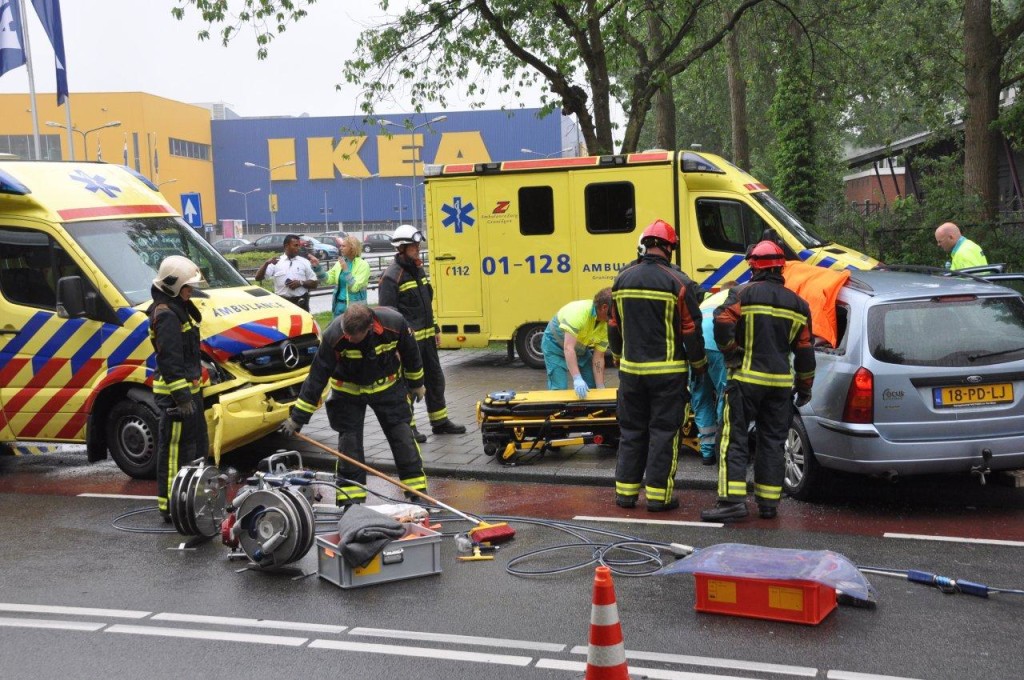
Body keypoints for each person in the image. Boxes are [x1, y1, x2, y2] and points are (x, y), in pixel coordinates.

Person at [701, 241, 815, 522]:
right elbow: (804, 351)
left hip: (745, 381)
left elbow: (722, 320)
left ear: (754, 267)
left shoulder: (741, 293)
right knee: (773, 443)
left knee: (734, 439)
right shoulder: (799, 305)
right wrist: (804, 388)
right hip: (779, 386)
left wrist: (731, 352)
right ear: (780, 268)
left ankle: (732, 503)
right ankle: (768, 504)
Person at [281, 303, 428, 505]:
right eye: (345, 333)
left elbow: (411, 353)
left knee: (402, 437)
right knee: (349, 445)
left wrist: (417, 383)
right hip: (347, 392)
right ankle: (350, 500)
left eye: (353, 336)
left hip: (387, 387)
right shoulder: (334, 335)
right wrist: (297, 418)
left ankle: (417, 492)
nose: (348, 338)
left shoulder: (394, 324)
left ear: (369, 328)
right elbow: (317, 377)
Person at [608, 219, 706, 512]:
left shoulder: (621, 279)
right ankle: (659, 497)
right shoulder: (678, 282)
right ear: (669, 247)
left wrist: (618, 356)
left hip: (631, 373)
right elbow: (690, 330)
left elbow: (613, 325)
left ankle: (625, 495)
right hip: (667, 374)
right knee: (663, 434)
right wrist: (699, 364)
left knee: (631, 431)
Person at [379, 224, 467, 437]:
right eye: (414, 245)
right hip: (408, 344)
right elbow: (387, 316)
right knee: (408, 384)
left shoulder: (417, 270)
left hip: (427, 340)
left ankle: (440, 421)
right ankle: (408, 429)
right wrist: (394, 347)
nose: (418, 248)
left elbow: (426, 303)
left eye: (418, 245)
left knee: (435, 379)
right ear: (402, 247)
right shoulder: (391, 277)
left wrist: (434, 328)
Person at [147, 255, 209, 521]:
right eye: (187, 287)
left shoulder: (178, 309)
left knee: (195, 449)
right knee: (173, 453)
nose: (190, 291)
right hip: (175, 397)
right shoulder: (166, 315)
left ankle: (189, 501)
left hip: (188, 393)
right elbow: (170, 361)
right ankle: (170, 507)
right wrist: (182, 398)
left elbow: (188, 353)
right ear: (173, 286)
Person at [689, 281, 735, 464]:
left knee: (701, 396)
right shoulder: (736, 297)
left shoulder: (709, 300)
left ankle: (707, 452)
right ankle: (723, 448)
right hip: (718, 346)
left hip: (696, 345)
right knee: (726, 396)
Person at [542, 288, 613, 397]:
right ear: (604, 307)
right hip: (554, 347)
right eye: (616, 309)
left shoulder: (606, 325)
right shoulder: (579, 313)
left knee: (593, 387)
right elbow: (568, 348)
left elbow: (598, 357)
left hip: (580, 351)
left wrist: (600, 386)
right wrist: (577, 378)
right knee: (560, 390)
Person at [254, 234, 318, 310]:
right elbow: (258, 278)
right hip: (281, 304)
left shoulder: (304, 262)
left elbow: (315, 283)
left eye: (299, 245)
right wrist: (266, 264)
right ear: (286, 246)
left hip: (300, 303)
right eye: (295, 245)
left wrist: (301, 283)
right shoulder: (276, 262)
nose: (298, 248)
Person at [323, 234, 371, 318]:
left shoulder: (363, 265)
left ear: (352, 248)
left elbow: (354, 288)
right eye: (340, 246)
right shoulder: (340, 263)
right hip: (339, 306)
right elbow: (329, 279)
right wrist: (317, 269)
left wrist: (346, 270)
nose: (340, 248)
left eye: (343, 246)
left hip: (356, 310)